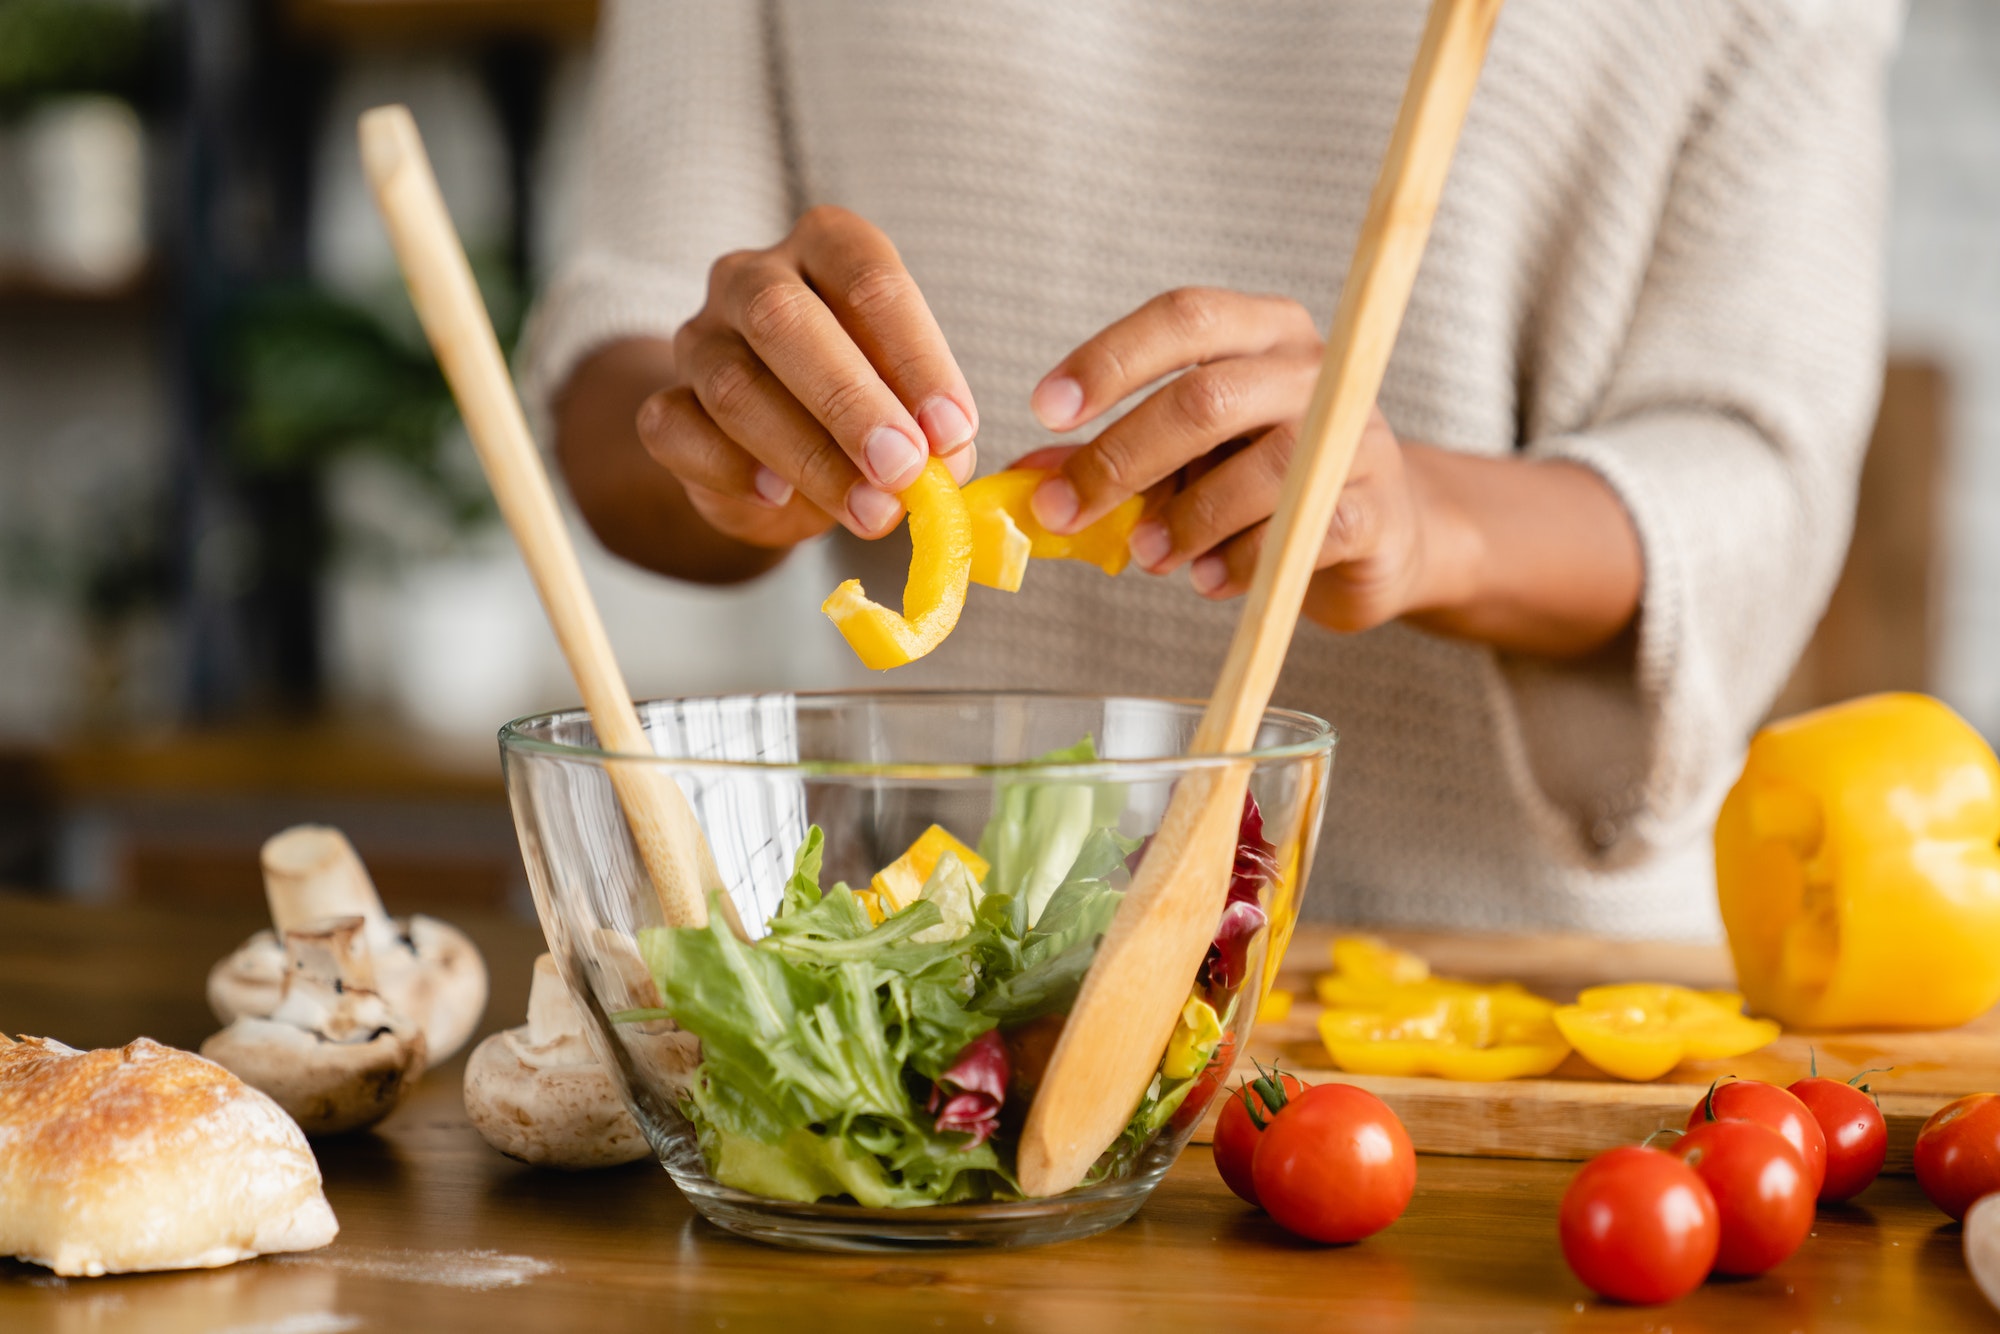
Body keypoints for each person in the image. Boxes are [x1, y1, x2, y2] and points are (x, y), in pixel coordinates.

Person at [525, 0, 1896, 940]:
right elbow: (615, 364)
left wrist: (1428, 527)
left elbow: (1759, 471)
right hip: (939, 967)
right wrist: (733, 425)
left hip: (1502, 993)